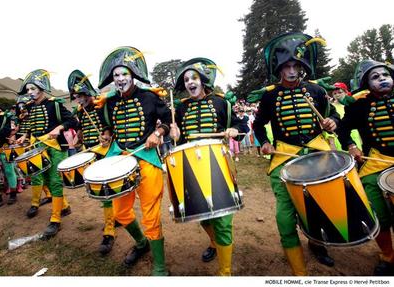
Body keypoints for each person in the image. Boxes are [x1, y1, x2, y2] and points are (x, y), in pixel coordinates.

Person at [249, 32, 339, 275]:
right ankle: (298, 270)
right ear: (279, 69)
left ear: (302, 67)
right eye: (286, 66)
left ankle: (317, 244)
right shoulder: (269, 96)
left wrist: (331, 121)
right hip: (284, 157)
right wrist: (265, 142)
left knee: (318, 208)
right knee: (285, 216)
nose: (291, 71)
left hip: (316, 155)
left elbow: (334, 114)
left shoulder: (317, 91)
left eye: (295, 66)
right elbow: (257, 125)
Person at [169, 57, 249, 276]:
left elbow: (242, 125)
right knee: (202, 216)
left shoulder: (221, 102)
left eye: (194, 77)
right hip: (190, 168)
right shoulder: (181, 108)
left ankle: (225, 273)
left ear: (202, 80)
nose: (190, 82)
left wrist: (234, 129)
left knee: (222, 220)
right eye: (186, 79)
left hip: (217, 163)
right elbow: (179, 138)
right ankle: (214, 242)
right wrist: (175, 134)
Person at [96, 46, 171, 275]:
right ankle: (141, 244)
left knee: (150, 215)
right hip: (120, 160)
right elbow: (108, 124)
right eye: (116, 75)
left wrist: (157, 134)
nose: (120, 79)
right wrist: (107, 133)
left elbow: (167, 121)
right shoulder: (107, 102)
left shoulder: (150, 96)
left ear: (133, 75)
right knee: (120, 213)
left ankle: (159, 266)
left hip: (147, 160)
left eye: (124, 74)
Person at [336, 60, 394, 275]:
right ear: (367, 84)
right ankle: (388, 256)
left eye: (385, 74)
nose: (382, 79)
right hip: (375, 163)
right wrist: (351, 146)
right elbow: (343, 129)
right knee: (376, 213)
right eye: (375, 77)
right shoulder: (359, 104)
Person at [15, 69, 77, 239]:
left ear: (41, 88)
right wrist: (24, 136)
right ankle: (64, 207)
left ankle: (55, 220)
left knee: (55, 181)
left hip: (55, 147)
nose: (30, 93)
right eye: (28, 90)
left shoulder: (54, 104)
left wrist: (59, 128)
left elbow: (73, 120)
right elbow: (30, 125)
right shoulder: (28, 107)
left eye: (33, 89)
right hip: (38, 146)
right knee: (46, 179)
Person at [68, 69, 115, 255]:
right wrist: (77, 140)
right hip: (90, 152)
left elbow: (111, 124)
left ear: (88, 93)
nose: (79, 100)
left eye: (81, 96)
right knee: (102, 191)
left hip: (105, 151)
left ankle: (109, 231)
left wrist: (107, 134)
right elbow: (82, 128)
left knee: (106, 191)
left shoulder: (100, 104)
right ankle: (114, 218)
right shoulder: (80, 111)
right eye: (76, 97)